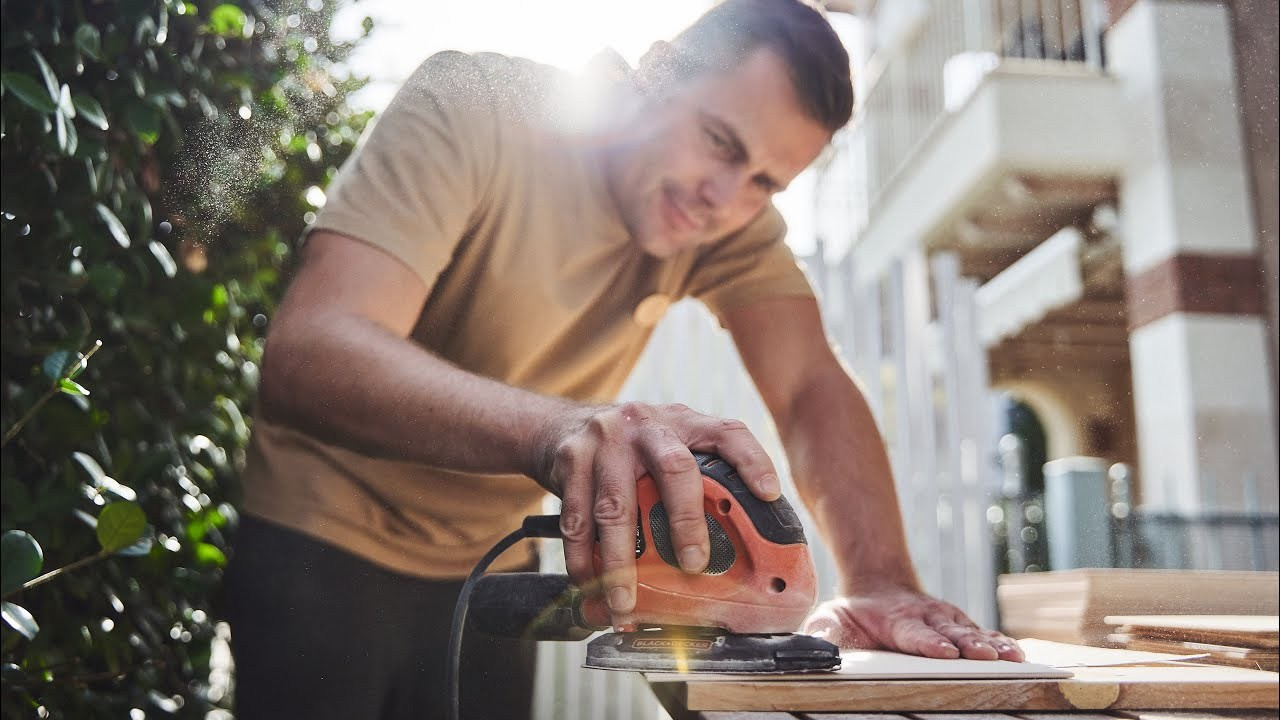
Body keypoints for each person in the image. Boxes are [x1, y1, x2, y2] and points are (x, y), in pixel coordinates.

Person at [223, 1, 1024, 718]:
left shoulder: (722, 215)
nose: (727, 198)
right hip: (322, 541)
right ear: (653, 73)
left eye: (765, 183)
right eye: (719, 141)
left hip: (490, 568)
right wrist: (555, 430)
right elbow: (313, 349)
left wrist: (879, 576)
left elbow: (811, 383)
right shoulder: (475, 108)